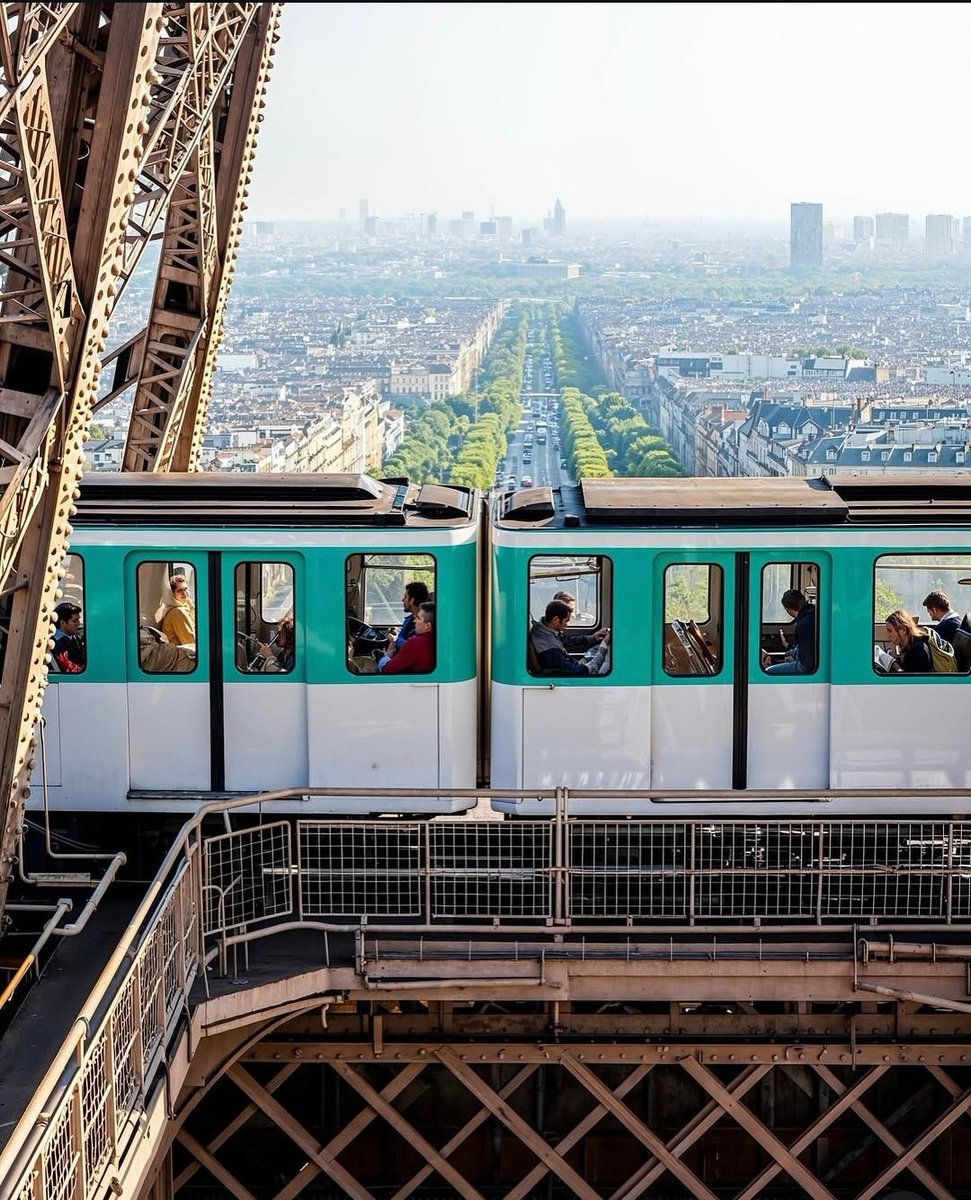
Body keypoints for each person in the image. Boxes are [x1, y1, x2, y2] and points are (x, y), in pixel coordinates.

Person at [529, 599, 610, 676]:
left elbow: (566, 640)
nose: (567, 624)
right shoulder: (550, 649)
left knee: (595, 649)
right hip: (575, 672)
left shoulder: (544, 629)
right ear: (556, 619)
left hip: (572, 663)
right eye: (566, 621)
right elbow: (581, 671)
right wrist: (604, 646)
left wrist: (593, 638)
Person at [379, 580, 430, 670]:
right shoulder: (409, 620)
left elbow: (413, 649)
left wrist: (395, 640)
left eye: (405, 597)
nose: (403, 600)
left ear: (412, 600)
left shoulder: (421, 627)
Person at [765, 589, 816, 675]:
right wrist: (789, 649)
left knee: (768, 671)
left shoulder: (804, 625)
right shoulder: (812, 615)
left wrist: (795, 660)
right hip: (805, 659)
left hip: (806, 666)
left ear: (788, 609)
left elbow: (807, 663)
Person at [380, 601, 435, 674]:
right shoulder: (436, 640)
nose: (414, 621)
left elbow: (387, 669)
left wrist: (386, 657)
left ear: (427, 625)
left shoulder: (416, 643)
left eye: (418, 618)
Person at [884, 609, 933, 673]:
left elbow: (910, 680)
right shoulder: (909, 648)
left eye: (890, 631)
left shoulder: (918, 650)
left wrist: (893, 664)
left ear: (903, 630)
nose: (888, 635)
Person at [158, 574, 196, 646]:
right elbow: (190, 642)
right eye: (179, 590)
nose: (184, 593)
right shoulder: (178, 612)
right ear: (172, 594)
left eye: (186, 589)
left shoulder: (187, 606)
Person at [51, 602, 85, 672]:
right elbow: (68, 667)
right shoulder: (54, 644)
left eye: (78, 620)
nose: (78, 624)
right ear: (63, 623)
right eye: (75, 621)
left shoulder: (76, 637)